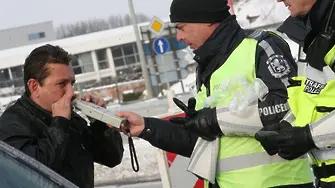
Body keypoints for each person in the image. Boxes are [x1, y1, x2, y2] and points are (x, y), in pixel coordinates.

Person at [116, 0, 314, 187]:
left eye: (181, 27)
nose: (178, 37)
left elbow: (289, 109)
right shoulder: (207, 66)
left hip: (280, 183)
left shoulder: (261, 47)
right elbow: (201, 138)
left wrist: (214, 120)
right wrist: (146, 127)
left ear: (206, 20)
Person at [0, 44, 124, 188]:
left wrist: (100, 122)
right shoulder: (12, 124)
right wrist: (59, 124)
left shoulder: (70, 118)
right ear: (34, 87)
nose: (71, 92)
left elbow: (112, 158)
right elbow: (32, 174)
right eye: (61, 84)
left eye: (72, 83)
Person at [255, 0, 335, 187]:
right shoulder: (314, 34)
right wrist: (287, 126)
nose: (279, 0)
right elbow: (315, 99)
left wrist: (309, 136)